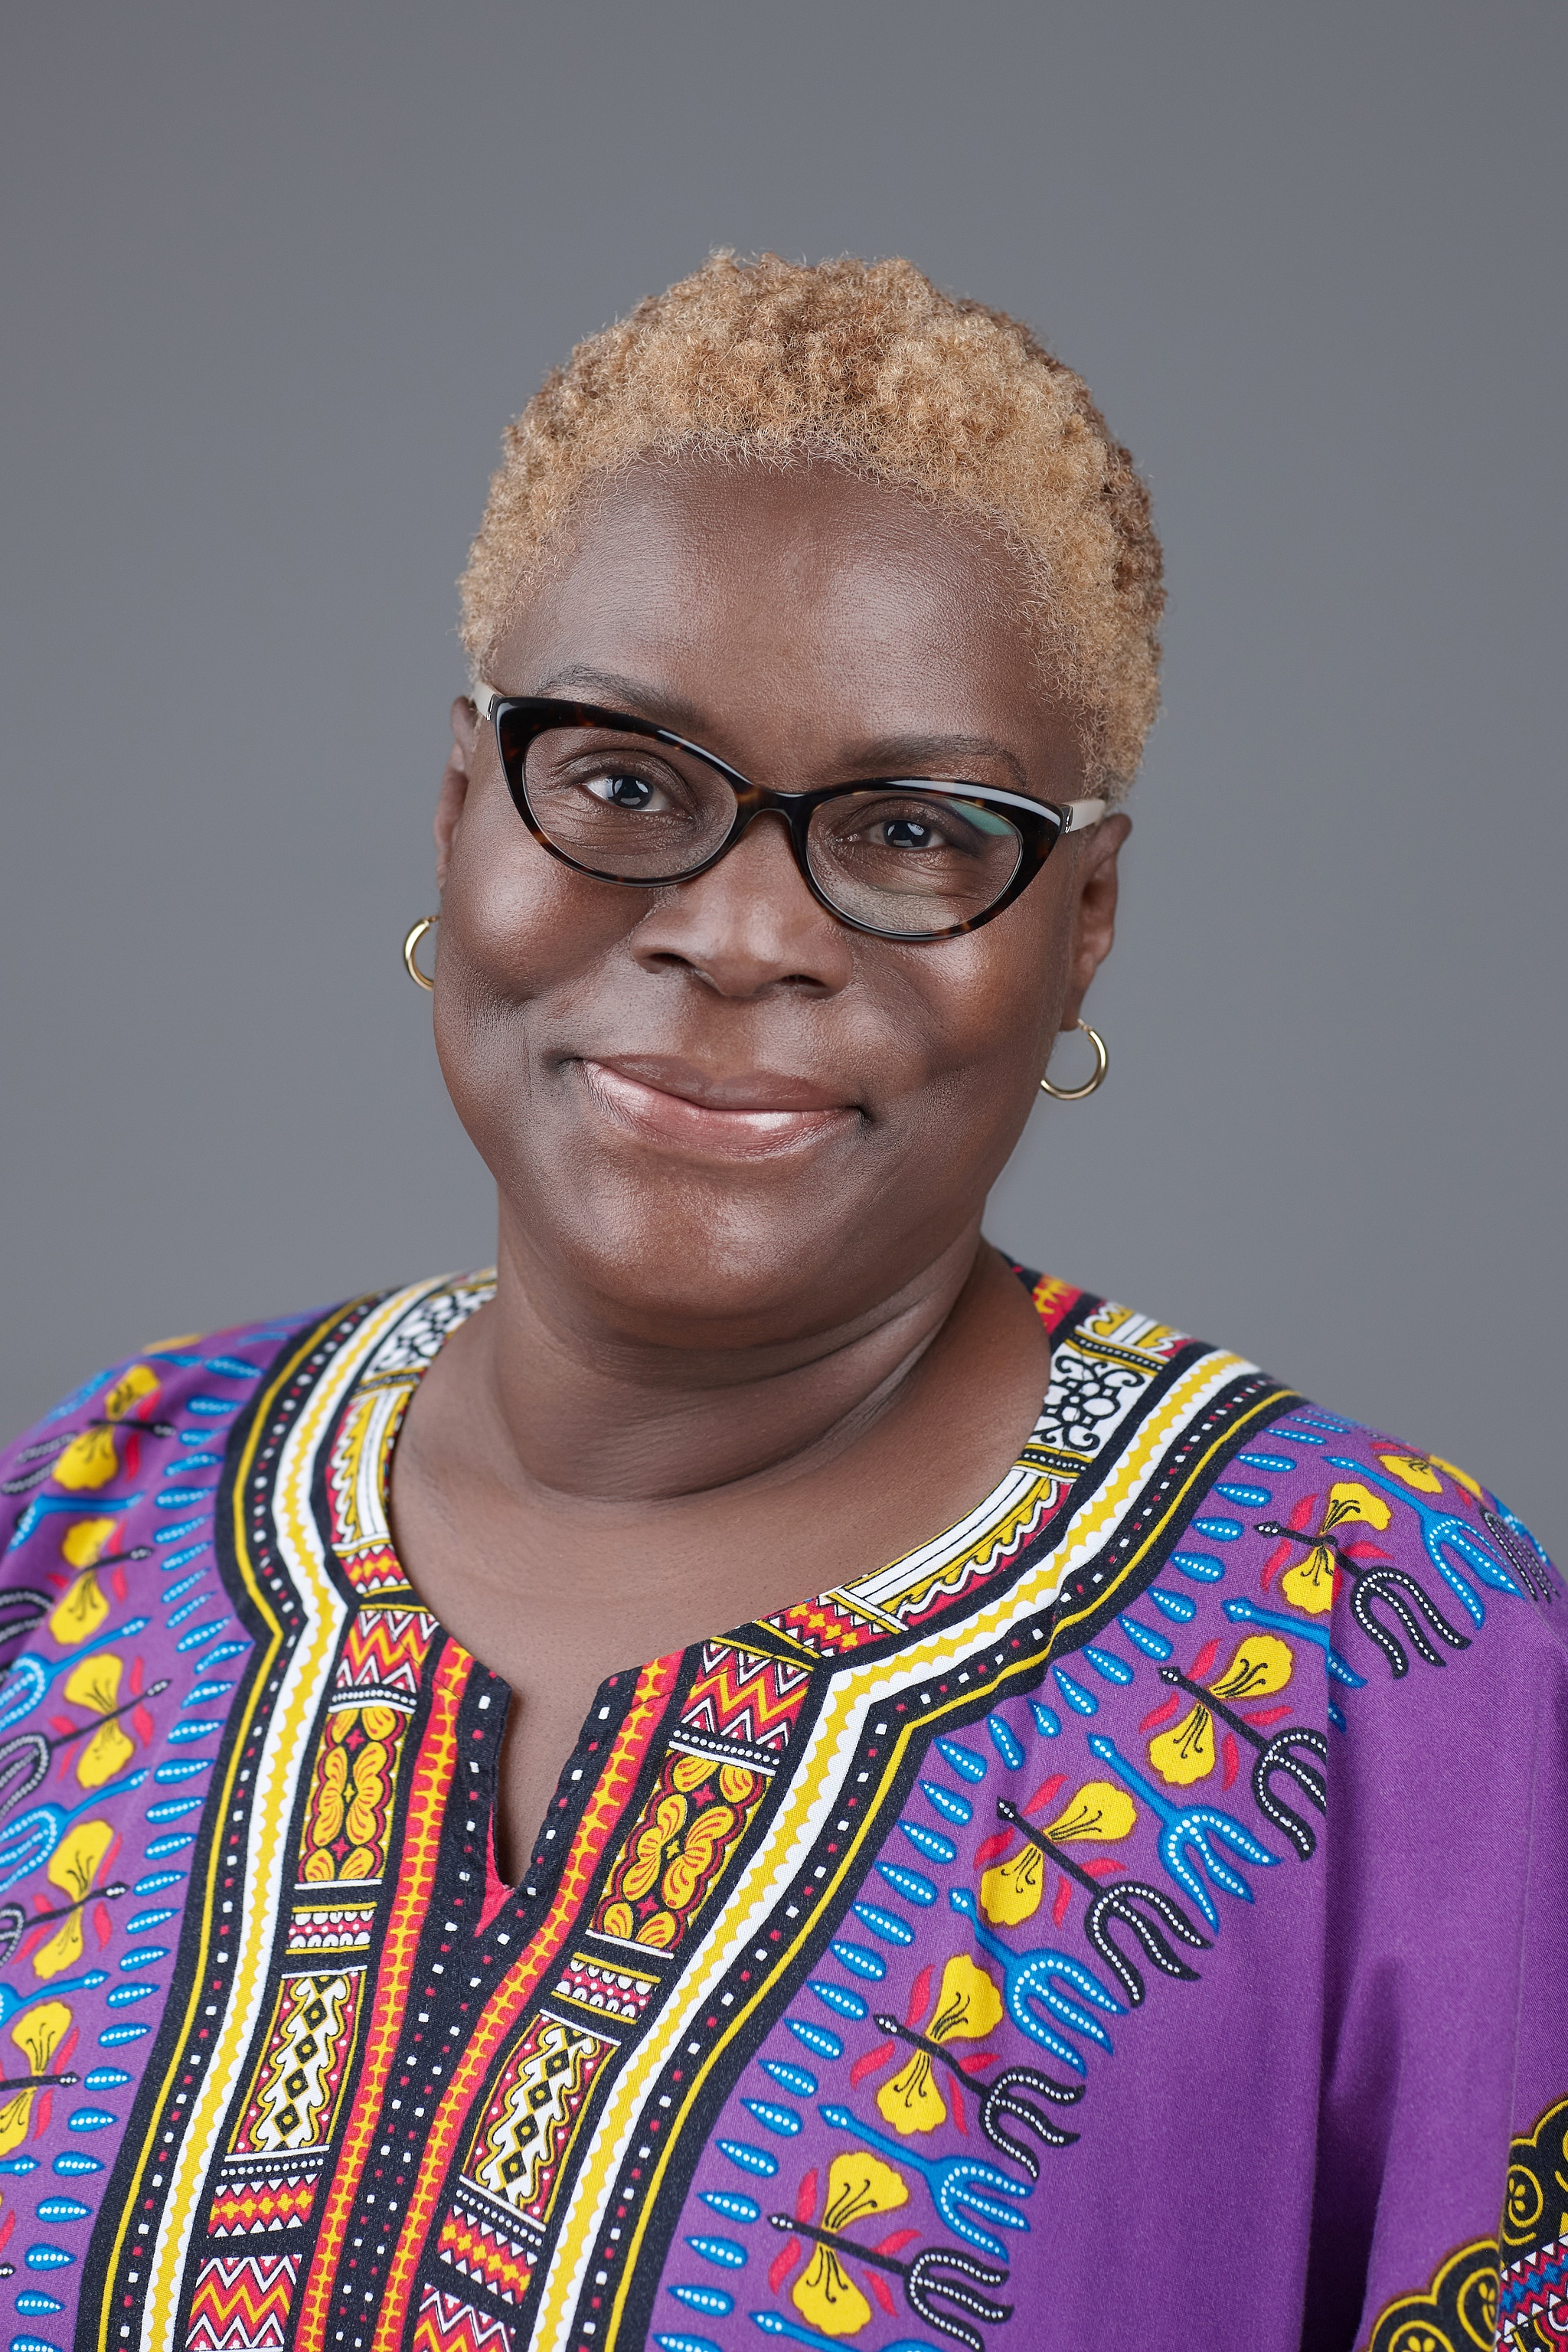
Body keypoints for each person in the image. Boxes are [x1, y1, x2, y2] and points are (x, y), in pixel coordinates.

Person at [0, 253, 1560, 2352]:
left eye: (912, 831)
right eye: (625, 783)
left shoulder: (1401, 1683)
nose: (740, 938)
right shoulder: (80, 1537)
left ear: (1082, 925)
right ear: (462, 815)